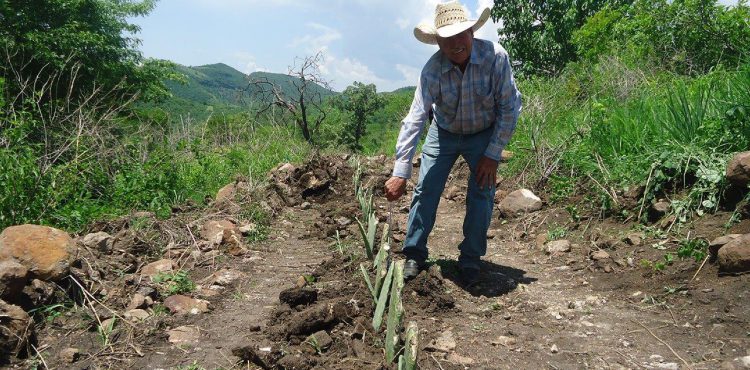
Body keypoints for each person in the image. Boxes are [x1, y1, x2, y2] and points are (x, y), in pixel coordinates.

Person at [384, 1, 521, 286]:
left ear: (472, 31)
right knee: (426, 189)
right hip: (443, 131)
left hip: (483, 132)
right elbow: (416, 117)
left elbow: (510, 107)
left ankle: (470, 259)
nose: (456, 43)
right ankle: (414, 253)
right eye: (447, 38)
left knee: (482, 190)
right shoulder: (432, 70)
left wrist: (492, 154)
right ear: (437, 42)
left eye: (461, 35)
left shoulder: (495, 57)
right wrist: (400, 171)